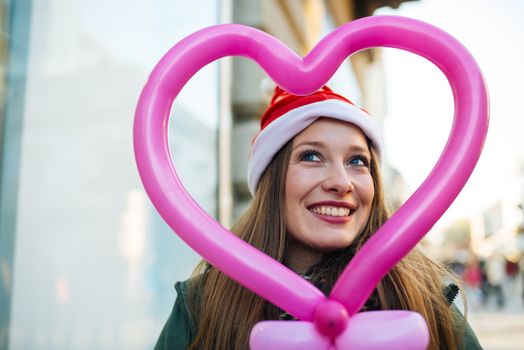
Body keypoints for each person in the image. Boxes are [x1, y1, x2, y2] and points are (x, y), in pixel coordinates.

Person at [155, 86, 482, 350]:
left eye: (357, 161)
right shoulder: (202, 306)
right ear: (273, 181)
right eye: (311, 156)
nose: (341, 182)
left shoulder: (423, 295)